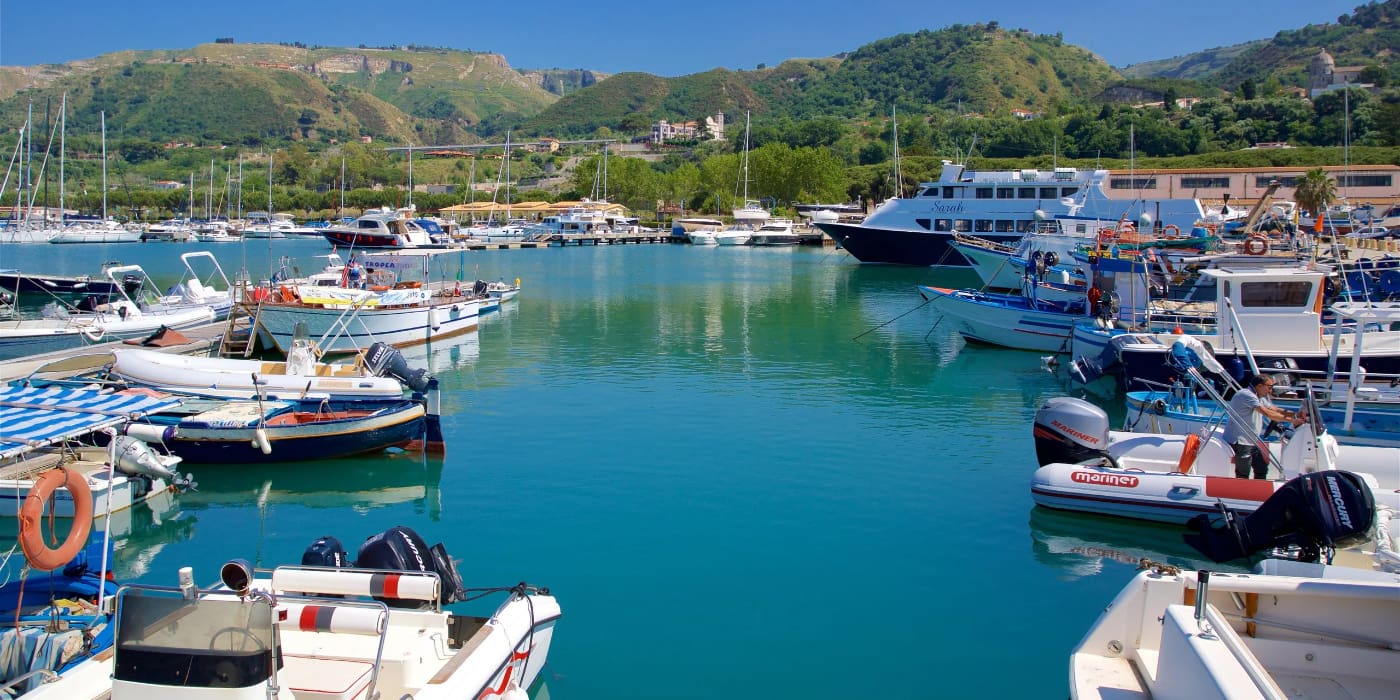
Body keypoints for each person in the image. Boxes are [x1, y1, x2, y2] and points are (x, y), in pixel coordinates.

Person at [1222, 374, 1304, 479]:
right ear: (1260, 386)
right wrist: (1292, 420)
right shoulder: (1247, 395)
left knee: (1262, 469)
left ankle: (1257, 491)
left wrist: (1296, 414)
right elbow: (1267, 413)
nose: (1270, 390)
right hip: (1240, 442)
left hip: (1251, 440)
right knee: (1243, 473)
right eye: (1269, 387)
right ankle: (1243, 492)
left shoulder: (1258, 396)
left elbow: (1274, 409)